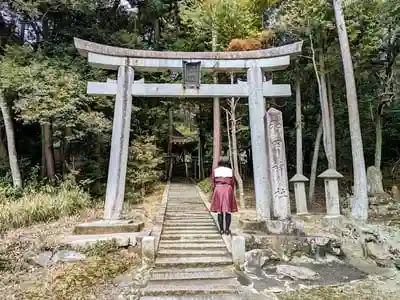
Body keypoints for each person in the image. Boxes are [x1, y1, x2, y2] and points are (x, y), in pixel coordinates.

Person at [210, 156, 238, 235]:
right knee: (228, 211)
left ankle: (221, 230)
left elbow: (213, 182)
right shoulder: (230, 170)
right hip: (228, 189)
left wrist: (213, 191)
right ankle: (227, 230)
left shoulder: (215, 171)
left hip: (218, 189)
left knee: (220, 211)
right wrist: (231, 190)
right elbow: (232, 182)